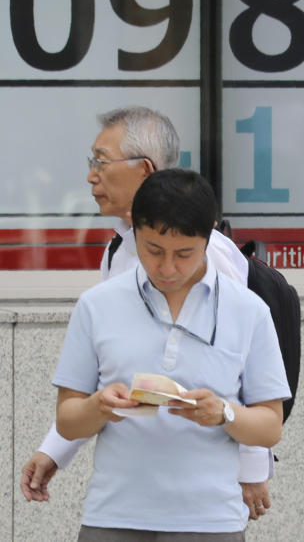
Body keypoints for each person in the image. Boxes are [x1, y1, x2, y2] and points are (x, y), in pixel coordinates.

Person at [20, 107, 275, 521]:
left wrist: (252, 470)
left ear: (145, 169)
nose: (91, 175)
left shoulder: (211, 255)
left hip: (202, 499)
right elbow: (100, 378)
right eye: (153, 251)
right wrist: (56, 449)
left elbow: (243, 371)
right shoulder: (118, 251)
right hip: (121, 502)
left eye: (101, 161)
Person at [53, 169, 291, 540]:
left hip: (212, 521)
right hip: (113, 517)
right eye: (153, 250)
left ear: (210, 235)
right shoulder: (97, 305)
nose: (167, 268)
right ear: (136, 233)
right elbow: (68, 420)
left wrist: (223, 413)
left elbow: (270, 425)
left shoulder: (249, 311)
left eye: (184, 254)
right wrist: (98, 406)